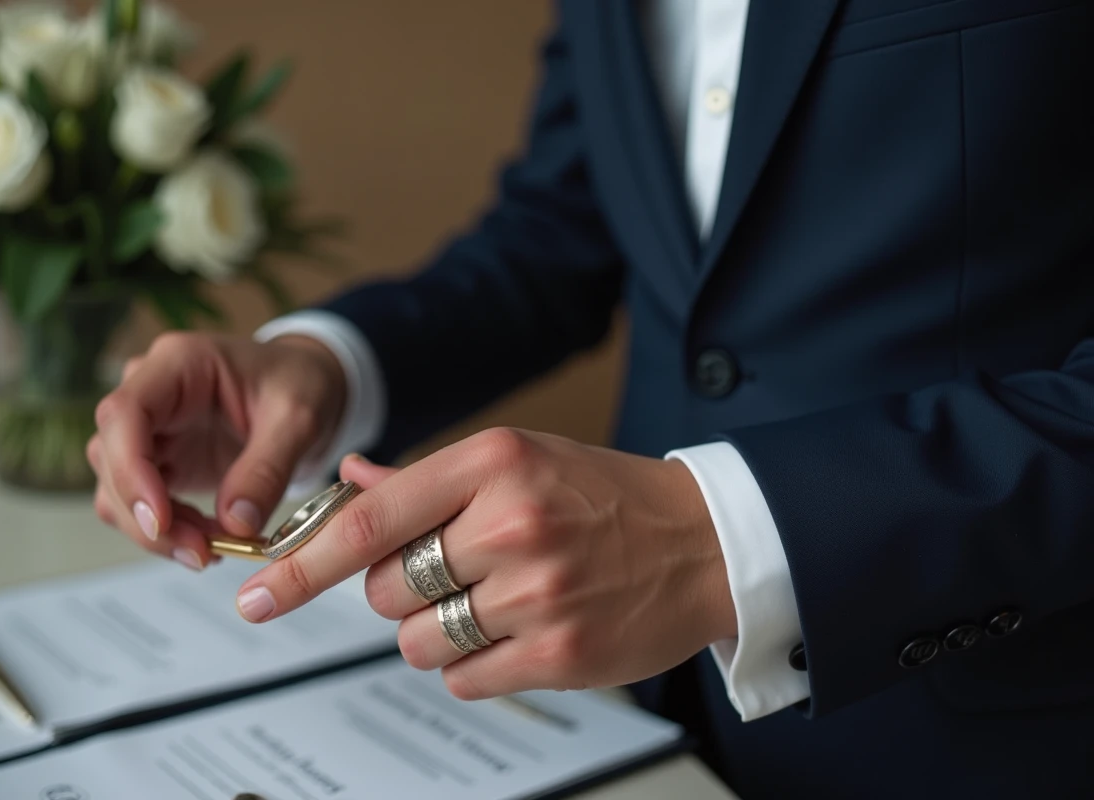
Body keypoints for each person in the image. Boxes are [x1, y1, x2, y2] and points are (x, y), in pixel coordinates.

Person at [87, 1, 1094, 796]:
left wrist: (725, 534)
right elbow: (563, 227)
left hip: (1001, 727)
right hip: (639, 723)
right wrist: (328, 364)